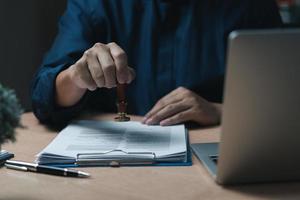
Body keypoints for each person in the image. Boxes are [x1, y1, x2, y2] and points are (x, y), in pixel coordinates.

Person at [31, 0, 282, 127]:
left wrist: (219, 111)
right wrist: (76, 77)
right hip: (115, 172)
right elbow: (44, 98)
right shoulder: (97, 4)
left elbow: (284, 107)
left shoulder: (251, 5)